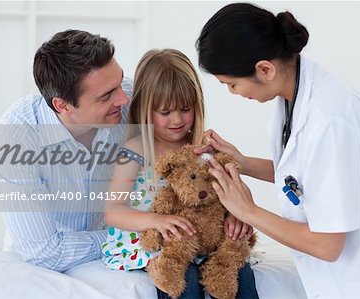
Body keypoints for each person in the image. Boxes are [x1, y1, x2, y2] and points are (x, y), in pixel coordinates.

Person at [195, 3, 360, 298]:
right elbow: (304, 177)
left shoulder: (328, 118)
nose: (234, 93)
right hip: (341, 282)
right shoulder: (294, 97)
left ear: (265, 69)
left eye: (231, 84)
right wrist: (243, 163)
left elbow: (327, 245)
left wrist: (249, 211)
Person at [102, 49, 259, 299]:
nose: (177, 119)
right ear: (145, 108)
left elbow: (235, 187)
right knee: (184, 276)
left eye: (185, 109)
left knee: (239, 271)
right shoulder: (134, 150)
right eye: (165, 112)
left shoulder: (202, 149)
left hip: (201, 238)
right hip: (154, 239)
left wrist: (238, 215)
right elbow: (113, 210)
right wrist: (156, 221)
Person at [0, 29, 132, 272]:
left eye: (119, 82)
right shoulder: (15, 138)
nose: (123, 99)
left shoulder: (128, 98)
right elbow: (44, 253)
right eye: (106, 95)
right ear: (62, 105)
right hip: (38, 270)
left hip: (114, 261)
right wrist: (131, 236)